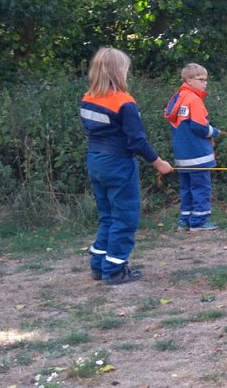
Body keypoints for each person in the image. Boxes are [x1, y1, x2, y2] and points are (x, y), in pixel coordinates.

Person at [80, 47, 174, 285]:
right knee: (125, 217)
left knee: (108, 216)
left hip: (95, 161)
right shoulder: (124, 101)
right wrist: (159, 163)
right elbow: (137, 140)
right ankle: (114, 270)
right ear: (119, 71)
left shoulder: (88, 98)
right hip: (118, 164)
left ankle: (99, 266)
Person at [164, 63, 222, 231]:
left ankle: (185, 220)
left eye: (206, 80)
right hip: (198, 154)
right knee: (201, 187)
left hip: (182, 155)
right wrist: (214, 131)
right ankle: (199, 222)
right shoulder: (194, 99)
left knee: (186, 188)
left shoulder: (179, 97)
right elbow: (199, 127)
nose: (205, 83)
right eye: (201, 79)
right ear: (189, 80)